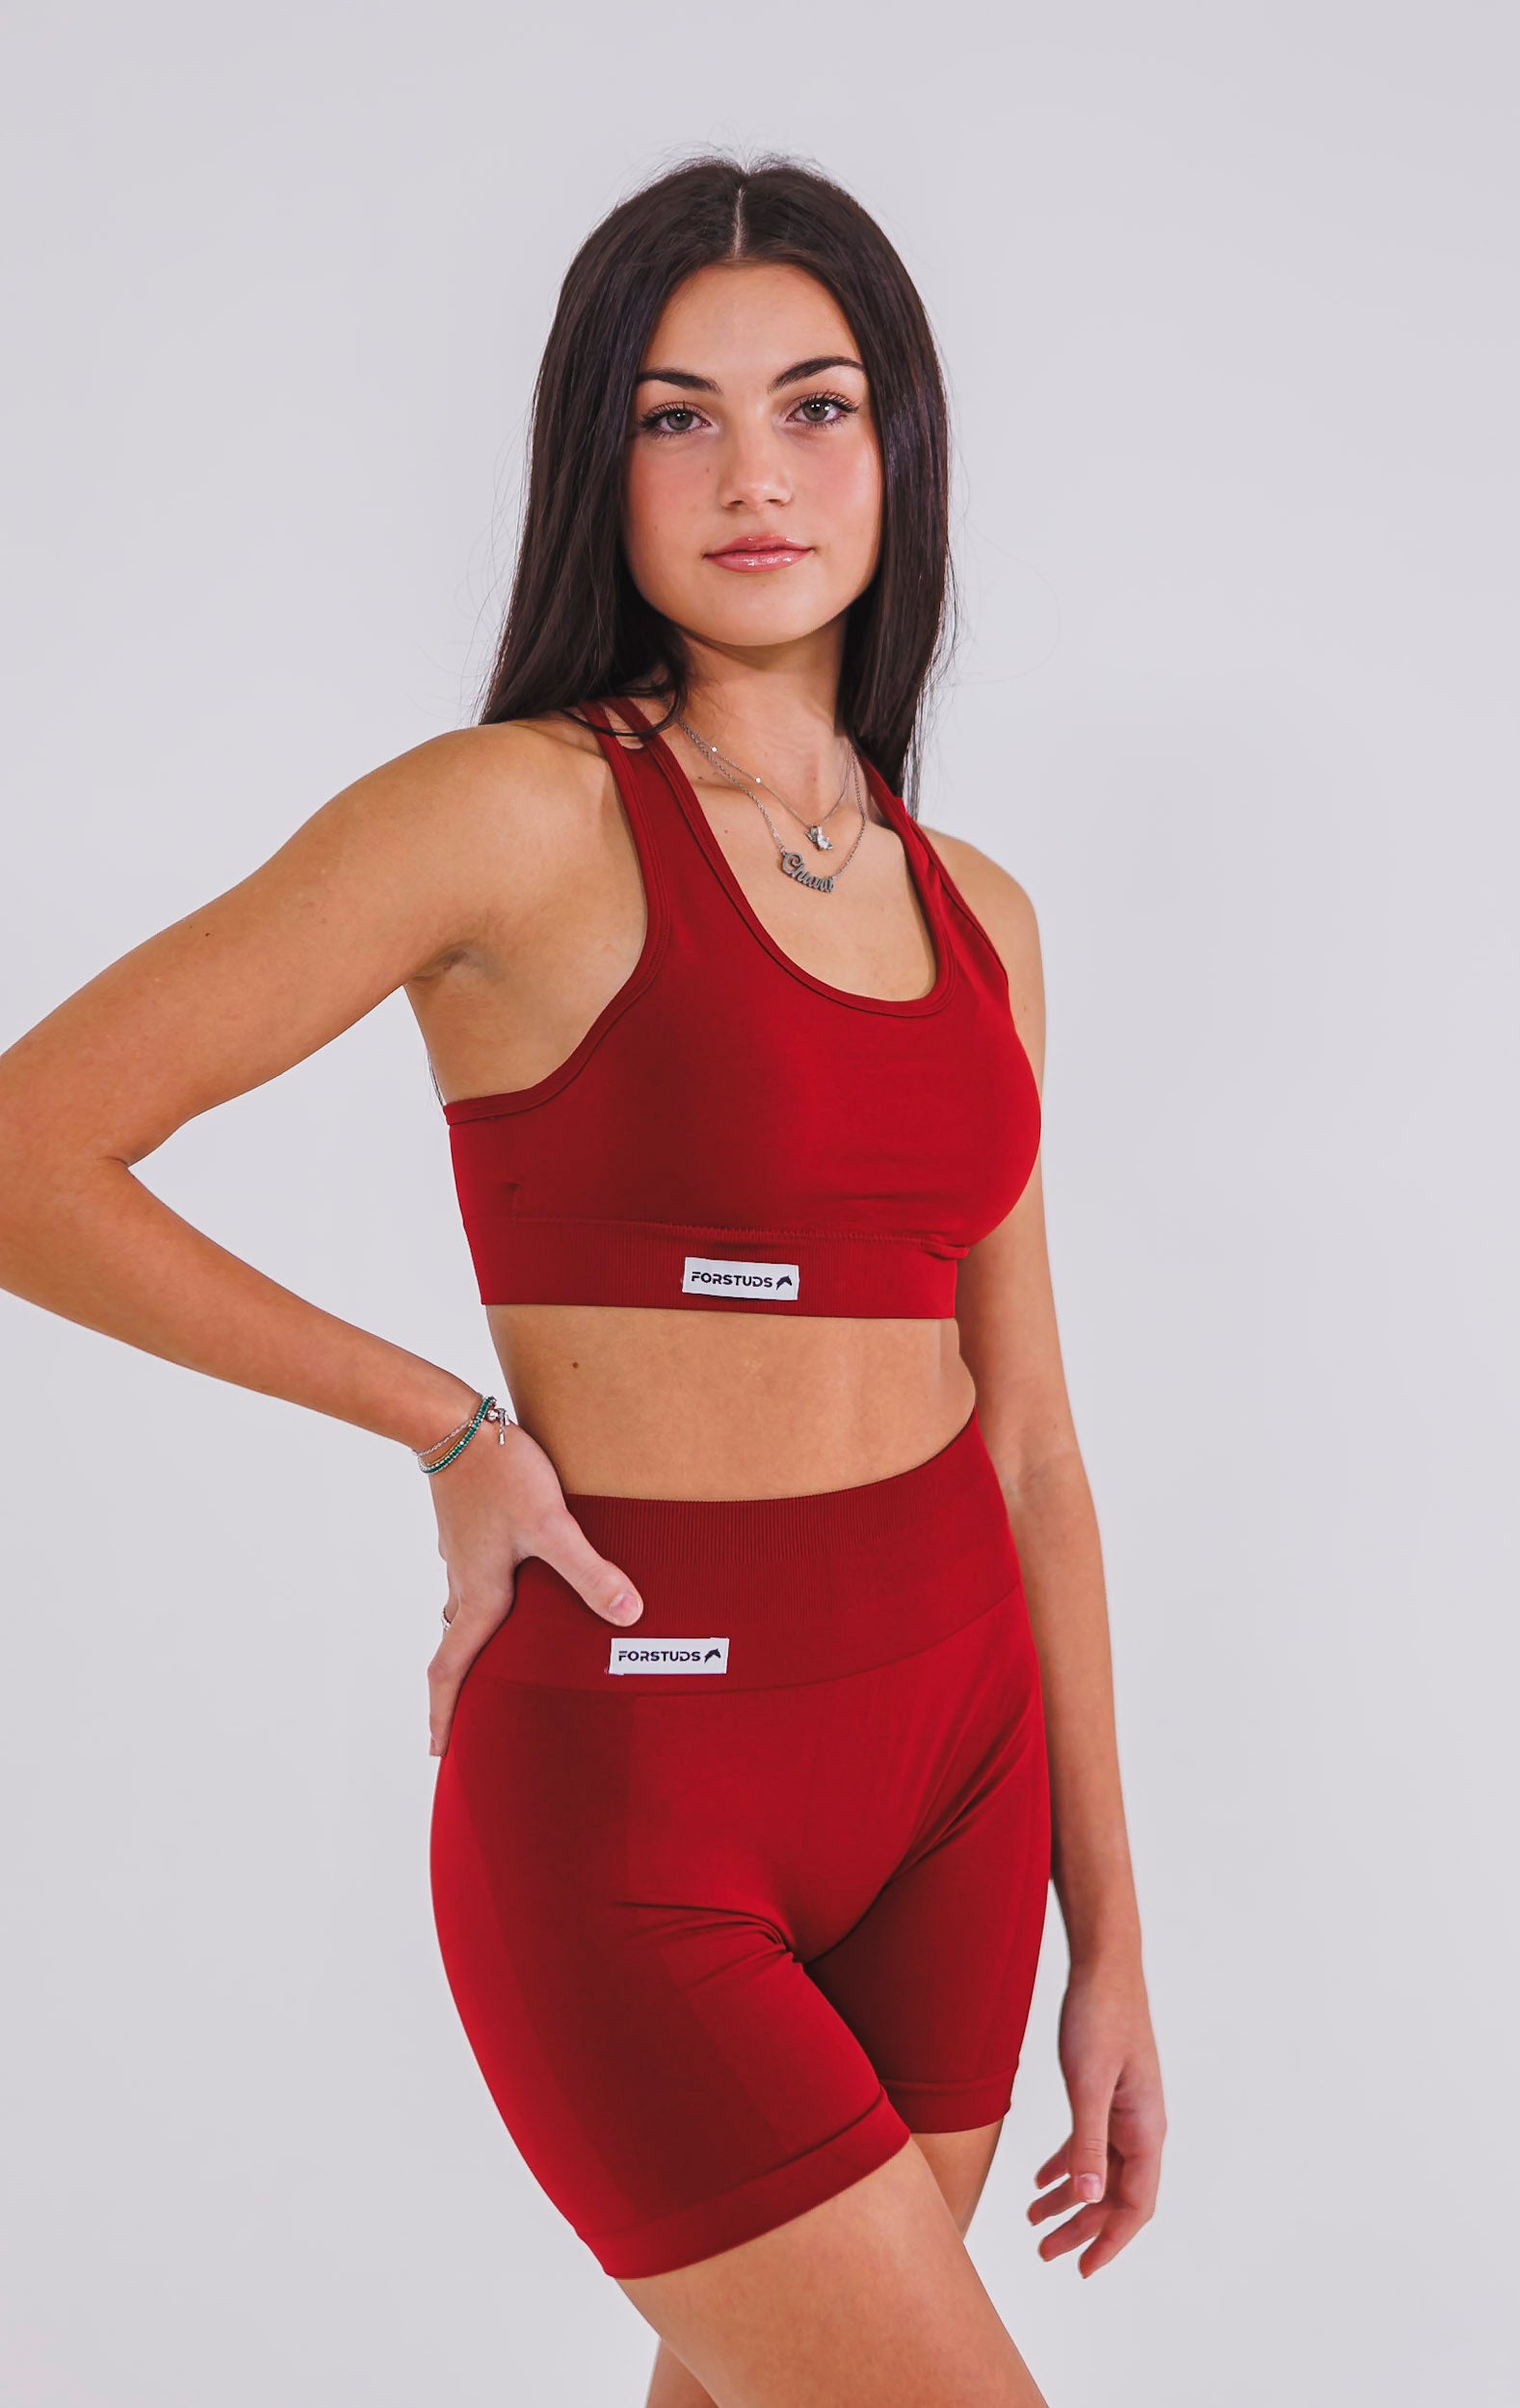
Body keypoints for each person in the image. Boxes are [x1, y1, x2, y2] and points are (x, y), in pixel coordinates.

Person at [0, 153, 1166, 2407]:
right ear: (595, 465)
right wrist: (444, 1424)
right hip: (640, 1793)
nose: (755, 474)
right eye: (676, 416)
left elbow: (1033, 1438)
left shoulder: (985, 914)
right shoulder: (508, 814)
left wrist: (1108, 1934)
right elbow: (31, 1148)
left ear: (900, 452)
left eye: (816, 406)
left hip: (958, 1779)